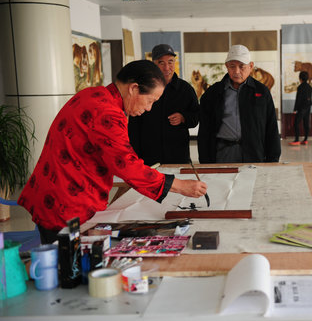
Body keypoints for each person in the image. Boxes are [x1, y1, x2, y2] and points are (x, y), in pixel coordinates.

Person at [17, 60, 207, 244]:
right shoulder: (108, 112)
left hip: (54, 193)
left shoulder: (94, 94)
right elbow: (126, 165)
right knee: (68, 268)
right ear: (133, 89)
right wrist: (180, 185)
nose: (149, 108)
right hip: (65, 204)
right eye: (150, 100)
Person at [197, 44, 281, 163]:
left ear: (251, 66)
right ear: (226, 66)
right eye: (232, 66)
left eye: (242, 67)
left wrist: (273, 159)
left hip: (254, 153)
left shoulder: (261, 92)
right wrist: (205, 161)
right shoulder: (213, 93)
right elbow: (204, 131)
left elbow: (271, 127)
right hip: (223, 153)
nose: (236, 71)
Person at [128, 44, 199, 165]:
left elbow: (195, 118)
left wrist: (183, 118)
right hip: (148, 159)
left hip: (178, 157)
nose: (167, 68)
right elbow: (134, 127)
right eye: (161, 63)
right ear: (153, 64)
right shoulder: (142, 89)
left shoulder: (186, 89)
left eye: (170, 62)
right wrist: (134, 158)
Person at [289, 71, 312, 146]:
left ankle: (296, 140)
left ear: (300, 78)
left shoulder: (300, 87)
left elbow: (298, 99)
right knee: (306, 123)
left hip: (301, 108)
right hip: (308, 107)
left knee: (296, 123)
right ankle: (305, 140)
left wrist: (295, 109)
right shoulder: (310, 87)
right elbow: (309, 98)